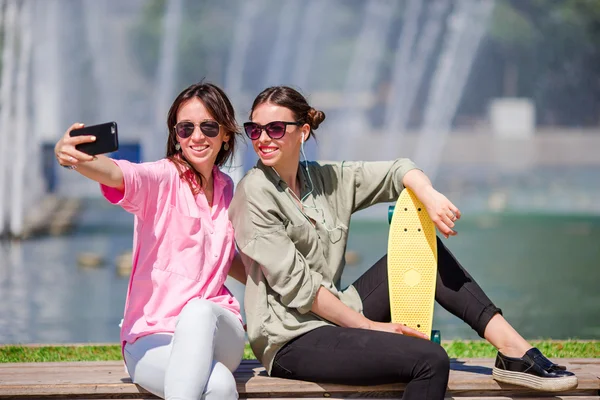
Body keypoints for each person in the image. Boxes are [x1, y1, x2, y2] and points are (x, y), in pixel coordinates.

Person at [228, 86, 578, 400]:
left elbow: (398, 170)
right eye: (255, 130)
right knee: (429, 359)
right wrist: (369, 326)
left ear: (302, 132)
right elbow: (301, 289)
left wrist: (430, 196)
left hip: (335, 312)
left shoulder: (323, 178)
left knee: (425, 251)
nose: (263, 138)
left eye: (275, 128)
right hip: (292, 339)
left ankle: (512, 349)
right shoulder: (254, 192)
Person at [54, 82, 246, 400]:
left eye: (209, 126)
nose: (197, 136)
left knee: (199, 310)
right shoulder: (161, 177)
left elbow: (227, 259)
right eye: (186, 128)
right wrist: (72, 157)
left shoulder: (229, 189)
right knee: (221, 386)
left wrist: (275, 283)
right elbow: (118, 173)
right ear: (176, 134)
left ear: (225, 133)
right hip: (153, 338)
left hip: (218, 330)